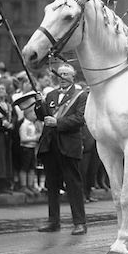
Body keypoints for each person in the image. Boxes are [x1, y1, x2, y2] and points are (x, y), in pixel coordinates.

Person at [36, 63, 88, 235]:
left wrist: (58, 122)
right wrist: (39, 104)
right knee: (52, 184)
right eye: (60, 74)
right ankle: (53, 221)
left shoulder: (81, 95)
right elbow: (43, 116)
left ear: (73, 77)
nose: (63, 77)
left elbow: (80, 119)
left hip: (69, 145)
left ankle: (79, 222)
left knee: (73, 185)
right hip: (51, 145)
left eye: (66, 74)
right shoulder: (50, 94)